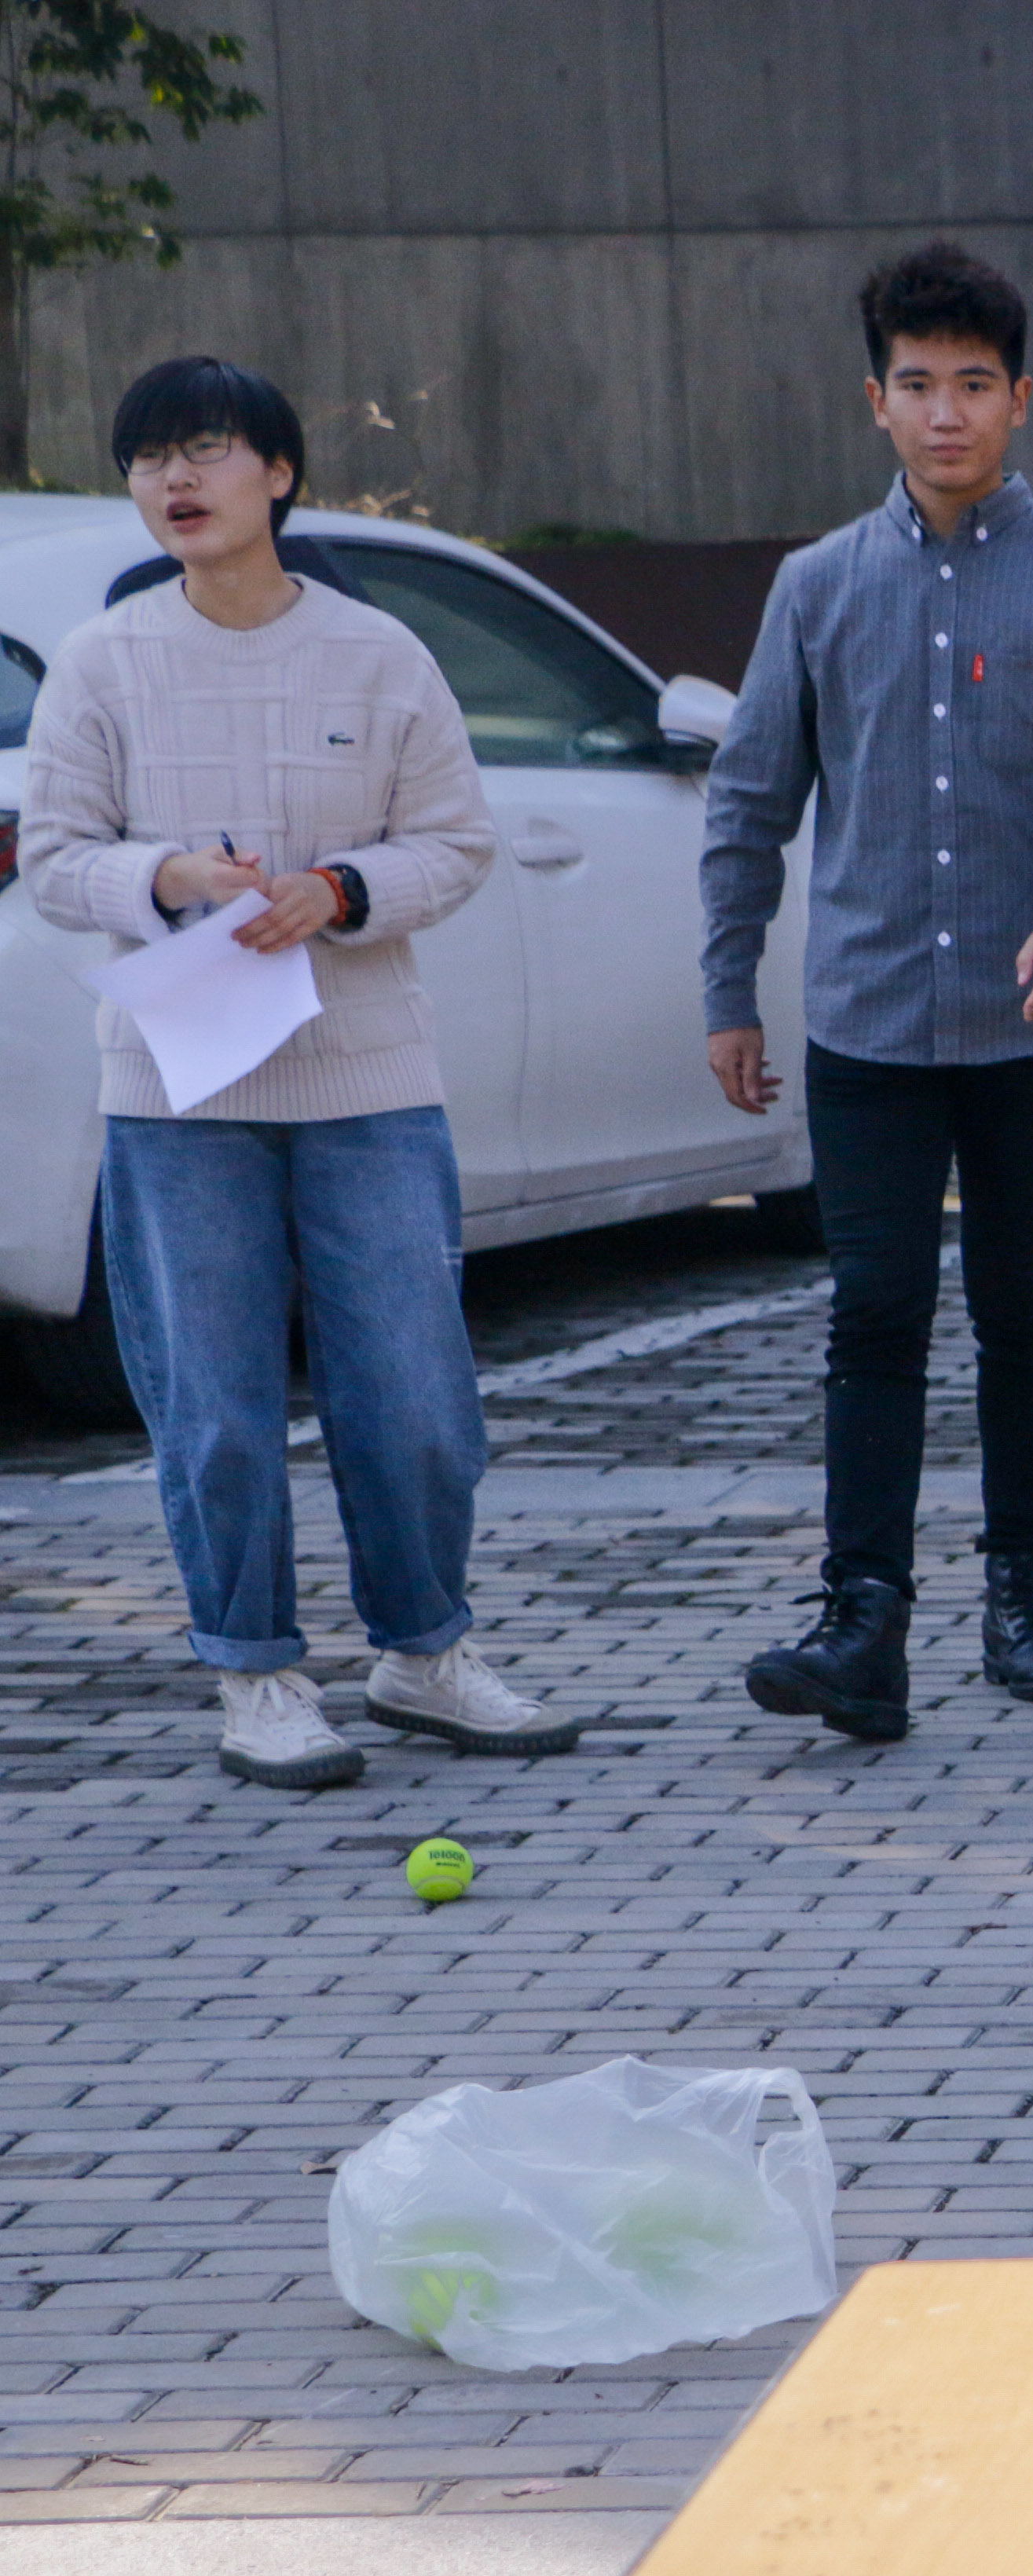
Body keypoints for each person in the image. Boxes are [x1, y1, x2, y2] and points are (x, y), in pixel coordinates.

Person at [24, 357, 570, 1790]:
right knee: (215, 1409)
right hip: (177, 1090)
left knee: (416, 1398)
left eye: (206, 449)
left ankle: (423, 1652)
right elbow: (58, 857)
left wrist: (338, 889)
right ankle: (256, 1672)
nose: (175, 479)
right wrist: (170, 876)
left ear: (278, 472)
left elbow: (456, 841)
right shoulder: (103, 659)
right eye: (150, 458)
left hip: (366, 1080)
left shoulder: (380, 654)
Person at [701, 244, 1033, 1740]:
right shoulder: (817, 587)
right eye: (916, 384)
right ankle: (862, 1619)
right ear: (876, 400)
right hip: (864, 1019)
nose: (945, 413)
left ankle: (1024, 1592)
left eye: (973, 384)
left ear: (1019, 399)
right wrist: (729, 986)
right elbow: (748, 800)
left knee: (1022, 1302)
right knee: (874, 1308)